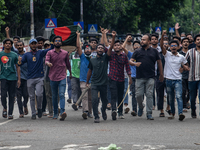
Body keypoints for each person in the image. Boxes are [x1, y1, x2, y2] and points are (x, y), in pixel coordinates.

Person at [130, 34, 164, 120]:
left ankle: (149, 113)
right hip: (139, 77)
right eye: (141, 39)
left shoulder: (154, 51)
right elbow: (130, 61)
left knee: (149, 94)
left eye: (144, 40)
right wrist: (134, 63)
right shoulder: (137, 51)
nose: (142, 41)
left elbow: (159, 62)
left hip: (151, 76)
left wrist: (161, 74)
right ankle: (141, 106)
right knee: (138, 95)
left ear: (149, 41)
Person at [18, 39, 52, 120]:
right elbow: (20, 63)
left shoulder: (40, 52)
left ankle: (39, 108)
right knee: (32, 96)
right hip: (30, 78)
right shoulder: (27, 55)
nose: (33, 45)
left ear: (37, 45)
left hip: (39, 77)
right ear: (29, 45)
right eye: (32, 44)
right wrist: (19, 61)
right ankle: (33, 113)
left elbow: (50, 49)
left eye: (35, 43)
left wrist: (53, 41)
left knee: (39, 94)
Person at [86, 31, 116, 123]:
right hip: (94, 83)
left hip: (104, 83)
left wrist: (113, 37)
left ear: (103, 50)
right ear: (96, 49)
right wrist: (87, 82)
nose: (99, 49)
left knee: (104, 101)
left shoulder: (106, 58)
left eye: (101, 48)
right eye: (98, 47)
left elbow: (111, 47)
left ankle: (103, 111)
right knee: (94, 100)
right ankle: (96, 116)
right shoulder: (92, 60)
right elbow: (90, 71)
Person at [162, 30, 189, 121]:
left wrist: (183, 68)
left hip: (178, 79)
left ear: (178, 47)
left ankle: (180, 113)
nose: (173, 47)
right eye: (172, 46)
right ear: (169, 47)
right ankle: (172, 113)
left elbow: (186, 65)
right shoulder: (167, 55)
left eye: (175, 46)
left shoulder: (181, 57)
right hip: (168, 80)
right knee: (170, 98)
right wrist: (162, 35)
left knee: (178, 96)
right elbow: (161, 46)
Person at [45, 36, 71, 121]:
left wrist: (70, 73)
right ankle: (55, 113)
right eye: (56, 41)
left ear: (61, 43)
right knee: (54, 96)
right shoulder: (49, 52)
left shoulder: (65, 53)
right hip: (52, 77)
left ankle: (62, 112)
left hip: (62, 76)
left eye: (59, 41)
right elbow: (46, 60)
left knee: (62, 94)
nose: (57, 42)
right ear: (53, 43)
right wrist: (48, 63)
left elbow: (68, 64)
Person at [108, 37, 132, 120]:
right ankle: (114, 111)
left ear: (121, 46)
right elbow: (108, 46)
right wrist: (112, 38)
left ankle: (120, 112)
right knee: (113, 95)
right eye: (115, 45)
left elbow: (127, 67)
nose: (117, 46)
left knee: (120, 96)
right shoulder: (111, 54)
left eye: (118, 45)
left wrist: (130, 77)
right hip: (112, 78)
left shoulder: (124, 56)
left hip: (121, 79)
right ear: (113, 47)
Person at [0, 38, 21, 119]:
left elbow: (18, 67)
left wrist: (19, 79)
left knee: (12, 96)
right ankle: (4, 107)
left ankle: (10, 113)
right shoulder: (1, 54)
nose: (8, 44)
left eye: (9, 43)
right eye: (6, 43)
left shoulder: (14, 55)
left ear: (11, 45)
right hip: (3, 77)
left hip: (12, 77)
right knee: (3, 95)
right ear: (4, 45)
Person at [76, 31, 93, 119]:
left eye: (89, 49)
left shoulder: (94, 58)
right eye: (85, 49)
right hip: (83, 80)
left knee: (90, 98)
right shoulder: (82, 57)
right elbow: (78, 46)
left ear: (91, 50)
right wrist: (78, 36)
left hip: (92, 80)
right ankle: (85, 111)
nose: (87, 50)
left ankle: (90, 112)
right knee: (85, 96)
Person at [122, 36, 140, 116]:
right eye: (135, 45)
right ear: (133, 47)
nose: (136, 46)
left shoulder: (144, 54)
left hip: (141, 77)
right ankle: (134, 110)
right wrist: (126, 39)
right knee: (133, 94)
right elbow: (122, 47)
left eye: (138, 45)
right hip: (133, 76)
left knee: (140, 94)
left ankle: (141, 107)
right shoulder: (130, 54)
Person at [185, 34, 200, 118]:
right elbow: (183, 61)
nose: (199, 41)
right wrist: (185, 66)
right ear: (195, 42)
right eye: (197, 39)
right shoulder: (190, 52)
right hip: (192, 77)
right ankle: (193, 110)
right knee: (192, 96)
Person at [16, 41, 29, 118]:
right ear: (16, 47)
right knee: (18, 96)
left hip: (26, 78)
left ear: (23, 46)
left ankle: (25, 105)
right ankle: (21, 112)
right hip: (17, 78)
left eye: (21, 45)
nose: (20, 46)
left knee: (26, 95)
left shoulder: (27, 55)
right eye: (18, 45)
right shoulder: (15, 55)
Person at [179, 37, 190, 112]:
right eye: (184, 42)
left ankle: (187, 101)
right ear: (181, 43)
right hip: (181, 75)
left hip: (191, 75)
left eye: (187, 42)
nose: (185, 43)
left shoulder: (192, 53)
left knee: (190, 91)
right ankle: (184, 106)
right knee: (183, 91)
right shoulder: (179, 54)